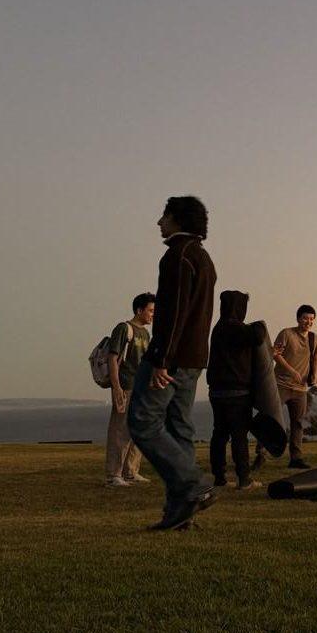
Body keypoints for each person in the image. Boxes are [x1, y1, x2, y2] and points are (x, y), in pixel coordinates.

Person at [128, 196, 218, 531]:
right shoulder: (203, 258)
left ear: (178, 219)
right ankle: (181, 513)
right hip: (193, 359)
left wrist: (162, 359)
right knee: (180, 428)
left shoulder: (176, 256)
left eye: (164, 215)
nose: (159, 222)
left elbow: (174, 313)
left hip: (172, 358)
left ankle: (193, 484)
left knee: (143, 422)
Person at [206, 289, 261, 491]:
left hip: (216, 391)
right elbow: (258, 334)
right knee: (239, 436)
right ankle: (244, 479)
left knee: (219, 434)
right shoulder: (235, 328)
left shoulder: (219, 327)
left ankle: (219, 477)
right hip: (237, 392)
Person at [261, 305, 317, 470]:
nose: (308, 322)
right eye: (305, 318)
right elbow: (274, 354)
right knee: (271, 419)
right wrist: (291, 370)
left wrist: (315, 374)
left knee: (298, 423)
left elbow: (316, 357)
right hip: (280, 384)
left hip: (300, 389)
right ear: (298, 319)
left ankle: (296, 458)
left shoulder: (314, 338)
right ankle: (261, 453)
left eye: (311, 319)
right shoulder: (286, 334)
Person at [104, 292, 154, 487]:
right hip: (126, 385)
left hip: (141, 387)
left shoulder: (146, 333)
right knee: (120, 430)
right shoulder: (124, 329)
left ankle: (131, 471)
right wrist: (116, 387)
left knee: (138, 430)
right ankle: (113, 474)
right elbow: (113, 359)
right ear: (139, 310)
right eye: (150, 311)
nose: (152, 315)